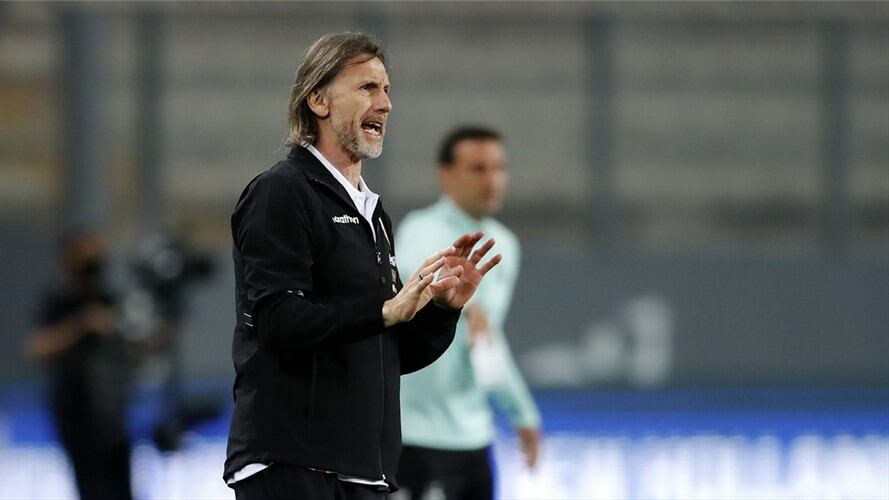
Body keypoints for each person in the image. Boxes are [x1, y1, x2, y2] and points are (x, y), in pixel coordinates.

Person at [224, 33, 502, 500]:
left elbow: (387, 354)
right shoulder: (282, 192)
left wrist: (441, 311)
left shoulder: (373, 216)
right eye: (368, 88)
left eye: (387, 90)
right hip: (294, 465)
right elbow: (276, 320)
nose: (386, 103)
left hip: (363, 472)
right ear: (318, 100)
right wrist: (383, 311)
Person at [395, 126, 542, 500]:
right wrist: (464, 303)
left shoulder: (504, 246)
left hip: (475, 439)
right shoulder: (420, 228)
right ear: (446, 175)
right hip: (415, 437)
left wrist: (522, 412)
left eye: (499, 168)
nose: (492, 179)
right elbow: (415, 273)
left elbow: (489, 338)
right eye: (478, 168)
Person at [25, 229, 134, 500]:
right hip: (76, 409)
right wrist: (82, 325)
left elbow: (134, 347)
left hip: (111, 409)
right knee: (93, 487)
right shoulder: (58, 300)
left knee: (121, 485)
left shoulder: (109, 298)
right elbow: (37, 347)